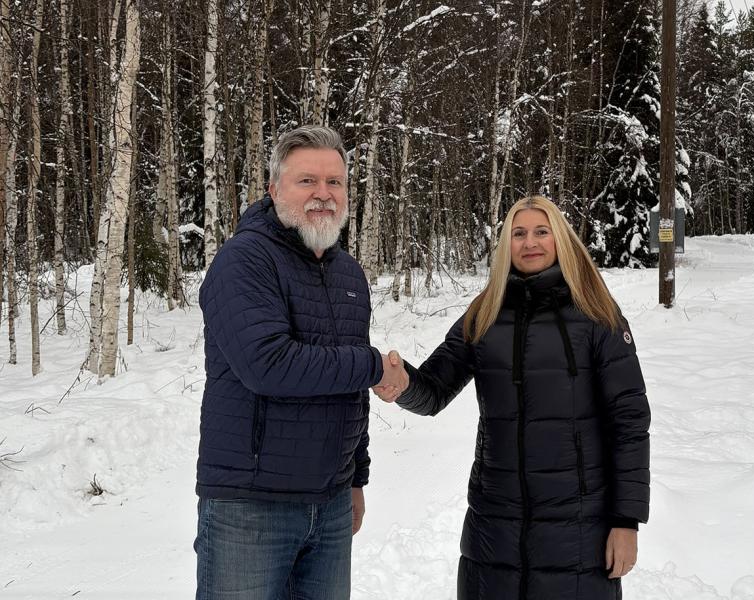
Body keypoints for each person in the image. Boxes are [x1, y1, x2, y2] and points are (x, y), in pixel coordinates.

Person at [375, 195, 651, 600]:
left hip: (578, 531)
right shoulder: (484, 313)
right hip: (495, 527)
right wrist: (401, 384)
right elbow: (432, 391)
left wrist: (626, 522)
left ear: (560, 239)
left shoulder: (596, 314)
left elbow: (629, 422)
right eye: (518, 234)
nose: (529, 242)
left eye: (542, 232)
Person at [195, 125, 408, 599]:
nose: (323, 194)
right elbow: (268, 365)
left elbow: (347, 389)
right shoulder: (244, 261)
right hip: (251, 507)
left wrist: (356, 476)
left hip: (330, 504)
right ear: (274, 189)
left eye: (335, 182)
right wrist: (375, 366)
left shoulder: (348, 274)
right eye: (306, 181)